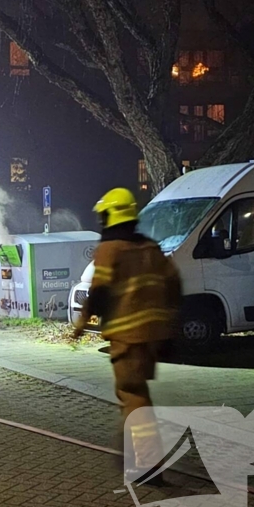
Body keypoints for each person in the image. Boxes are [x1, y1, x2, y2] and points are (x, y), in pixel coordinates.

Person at [72, 188, 182, 481]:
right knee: (136, 393)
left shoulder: (110, 250)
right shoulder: (150, 248)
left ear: (110, 216)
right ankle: (129, 452)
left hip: (127, 337)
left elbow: (99, 291)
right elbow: (174, 284)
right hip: (152, 338)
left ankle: (149, 463)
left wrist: (81, 324)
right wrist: (169, 325)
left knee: (133, 396)